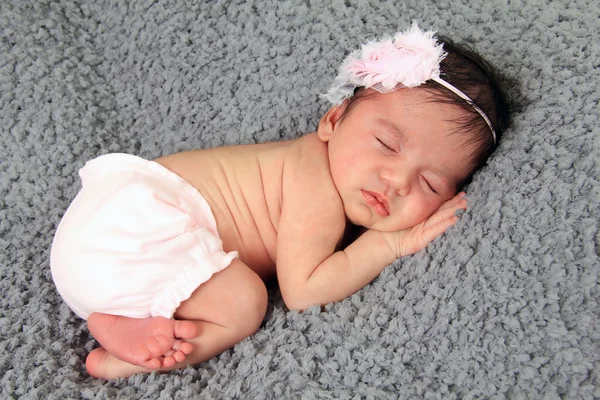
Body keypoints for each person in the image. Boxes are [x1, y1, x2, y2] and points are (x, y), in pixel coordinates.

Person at [50, 23, 511, 379]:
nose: (396, 181)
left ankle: (122, 317)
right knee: (245, 303)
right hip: (129, 236)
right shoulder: (314, 180)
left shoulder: (316, 167)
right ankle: (121, 359)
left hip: (100, 242)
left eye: (430, 184)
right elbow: (304, 291)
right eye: (386, 145)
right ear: (332, 121)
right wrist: (388, 245)